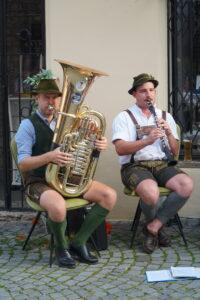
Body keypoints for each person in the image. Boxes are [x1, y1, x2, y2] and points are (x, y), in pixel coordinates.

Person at [15, 78, 117, 268]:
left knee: (108, 196)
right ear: (37, 98)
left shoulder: (71, 123)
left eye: (55, 98)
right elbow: (22, 164)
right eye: (47, 97)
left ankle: (78, 242)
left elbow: (87, 147)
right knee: (58, 206)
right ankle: (62, 249)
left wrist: (98, 145)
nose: (51, 102)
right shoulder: (28, 126)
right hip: (38, 180)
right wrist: (49, 157)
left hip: (66, 177)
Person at [112, 73, 193, 254]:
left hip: (162, 164)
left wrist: (169, 132)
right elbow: (120, 149)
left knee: (186, 185)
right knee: (151, 193)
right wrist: (147, 141)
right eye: (143, 91)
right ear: (134, 94)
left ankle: (153, 227)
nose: (148, 95)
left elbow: (174, 151)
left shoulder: (165, 115)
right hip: (134, 166)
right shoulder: (124, 117)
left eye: (151, 90)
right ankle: (157, 228)